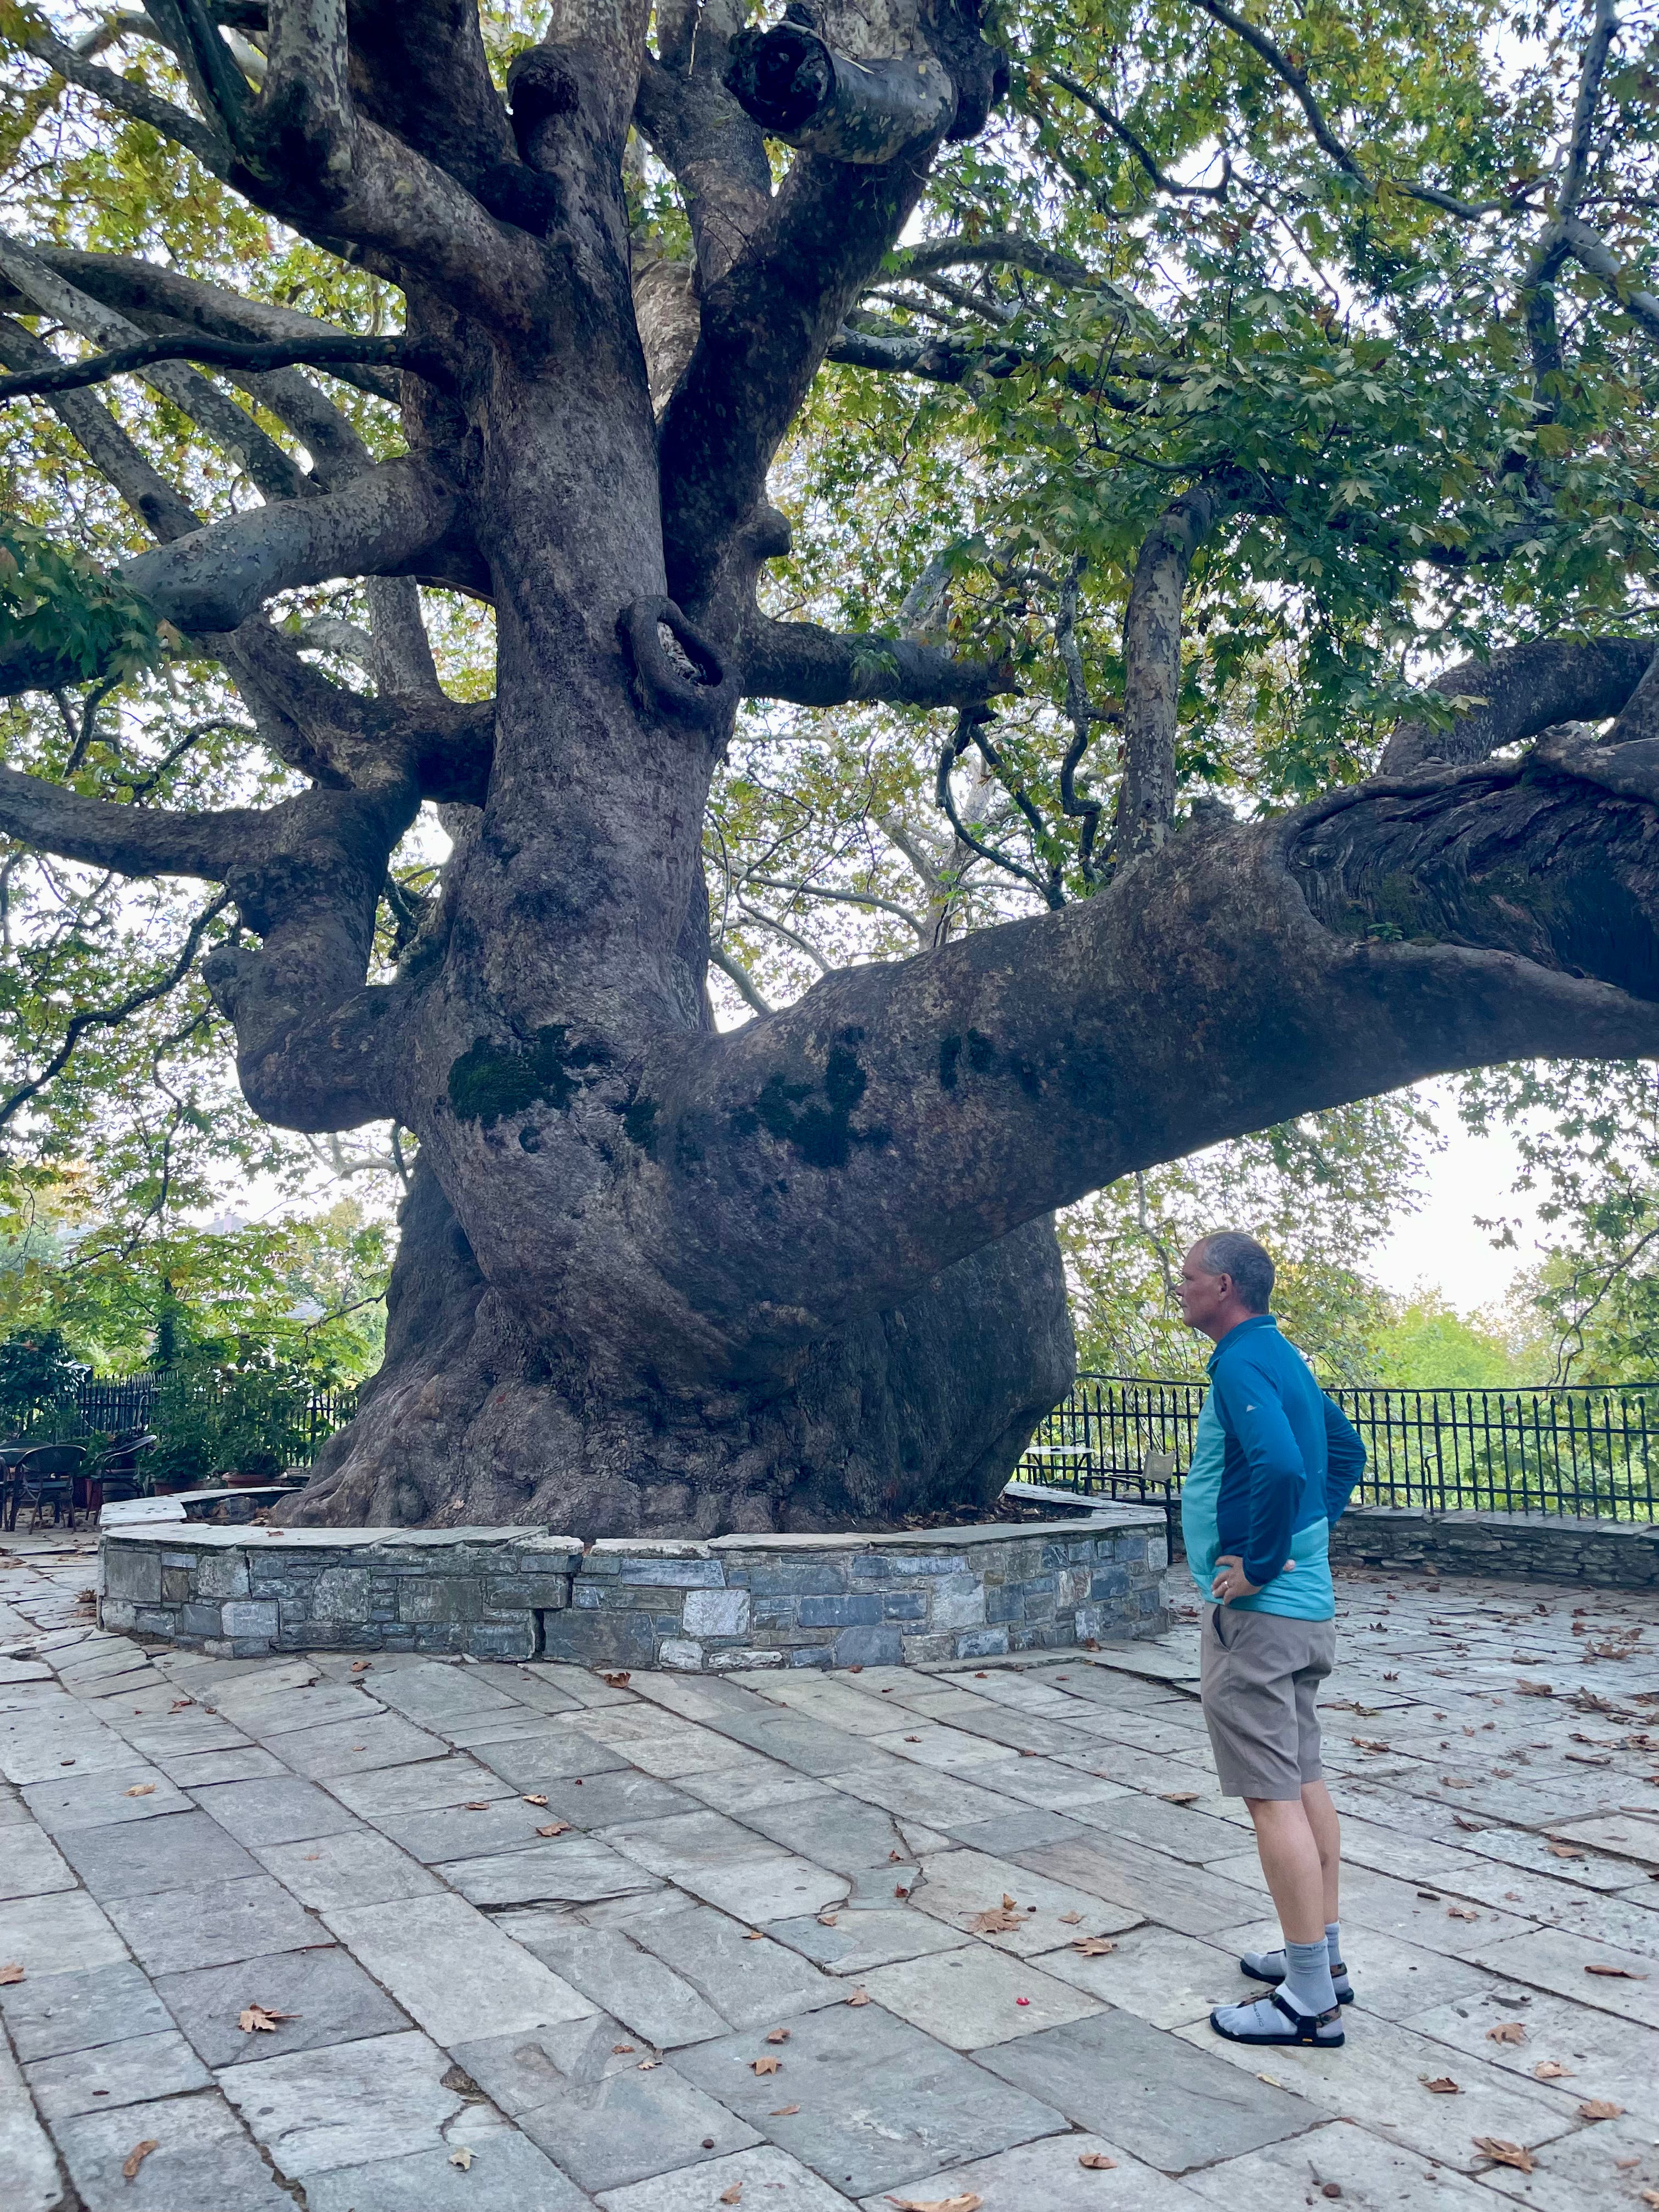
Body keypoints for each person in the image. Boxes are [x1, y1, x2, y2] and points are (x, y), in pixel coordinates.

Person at [1176, 1231, 1366, 2048]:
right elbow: (1345, 1453)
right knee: (1303, 1777)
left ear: (1223, 1286)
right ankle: (1325, 1957)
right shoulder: (1283, 1356)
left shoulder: (1240, 1363)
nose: (1179, 1289)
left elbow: (1285, 1468)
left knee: (1270, 1795)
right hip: (1305, 1612)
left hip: (1261, 1620)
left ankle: (1308, 2002)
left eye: (1187, 1277)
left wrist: (1259, 1563)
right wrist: (1307, 1539)